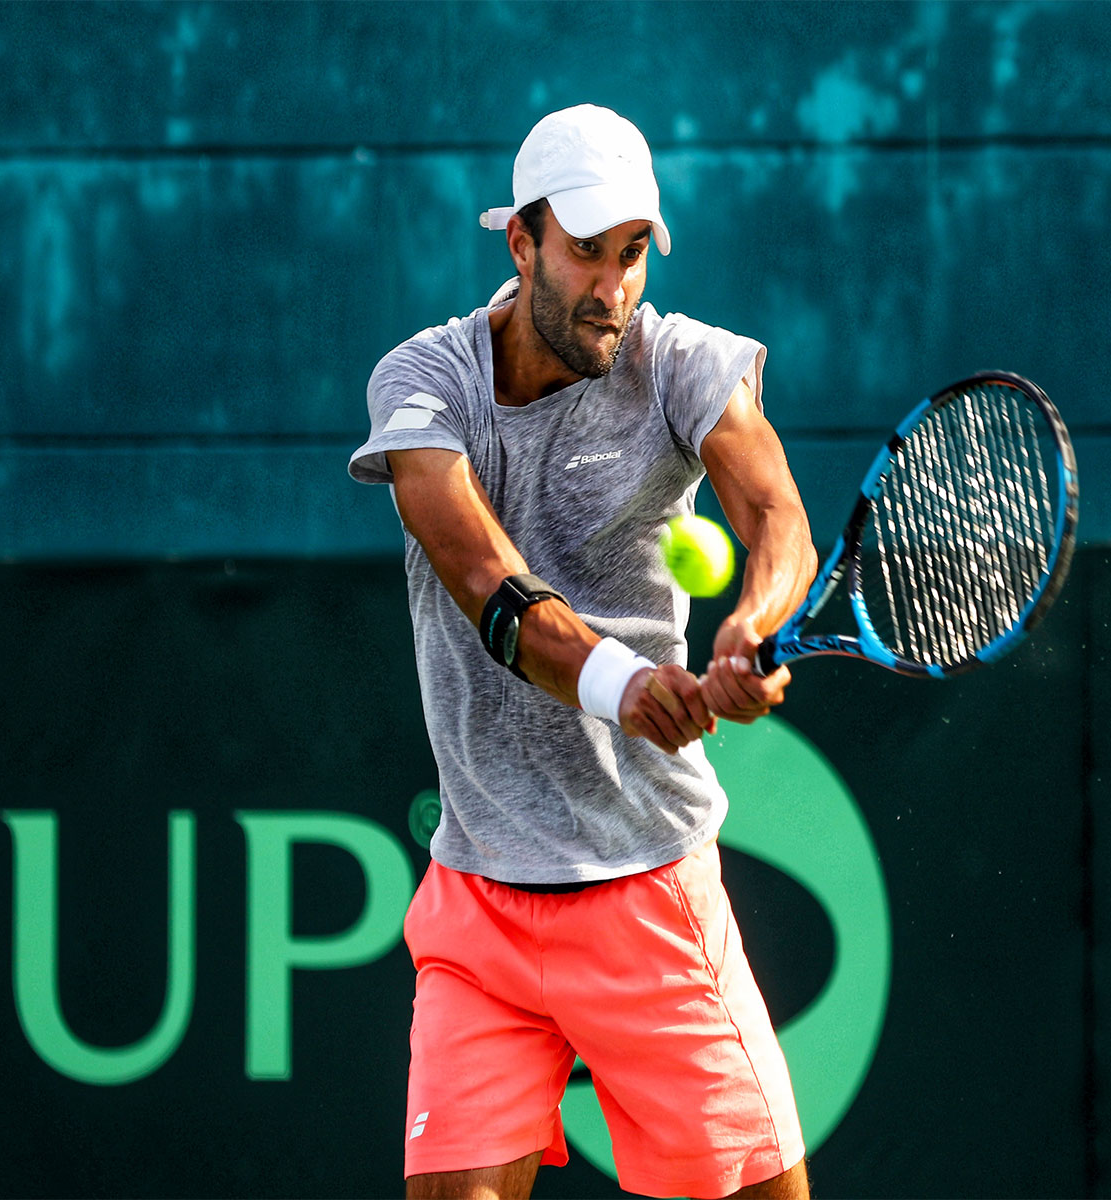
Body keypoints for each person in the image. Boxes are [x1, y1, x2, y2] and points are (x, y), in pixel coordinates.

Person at [348, 104, 818, 1200]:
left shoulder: (684, 364)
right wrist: (625, 684)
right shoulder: (425, 384)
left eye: (632, 254)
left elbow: (778, 515)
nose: (613, 285)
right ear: (521, 242)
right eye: (585, 254)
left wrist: (753, 619)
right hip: (479, 905)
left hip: (646, 890)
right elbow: (486, 583)